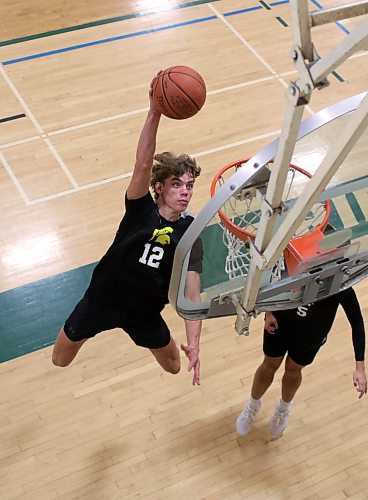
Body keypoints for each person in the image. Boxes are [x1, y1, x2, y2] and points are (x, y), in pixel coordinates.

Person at [52, 73, 203, 385]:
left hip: (143, 313)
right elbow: (142, 164)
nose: (185, 191)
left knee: (174, 366)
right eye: (176, 184)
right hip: (101, 301)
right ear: (159, 187)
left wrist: (195, 342)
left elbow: (192, 292)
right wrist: (155, 111)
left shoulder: (191, 233)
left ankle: (154, 339)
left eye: (189, 185)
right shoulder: (140, 208)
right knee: (60, 359)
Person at [236, 287, 367, 438]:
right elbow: (275, 282)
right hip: (279, 326)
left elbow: (357, 321)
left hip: (310, 339)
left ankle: (283, 410)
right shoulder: (297, 267)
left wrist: (360, 367)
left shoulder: (341, 283)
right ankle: (252, 405)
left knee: (293, 371)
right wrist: (269, 312)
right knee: (269, 365)